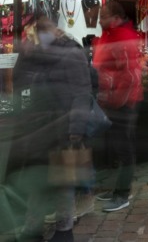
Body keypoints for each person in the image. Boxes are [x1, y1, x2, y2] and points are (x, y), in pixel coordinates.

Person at [12, 16, 92, 242]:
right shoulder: (33, 53)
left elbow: (81, 92)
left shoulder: (70, 52)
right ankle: (32, 227)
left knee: (62, 181)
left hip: (63, 126)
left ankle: (64, 230)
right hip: (37, 126)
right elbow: (20, 85)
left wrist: (75, 128)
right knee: (37, 180)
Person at [93, 1, 143, 213]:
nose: (99, 20)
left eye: (103, 16)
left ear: (115, 17)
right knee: (117, 147)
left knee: (123, 148)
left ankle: (122, 193)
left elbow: (130, 75)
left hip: (122, 102)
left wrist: (116, 100)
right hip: (113, 100)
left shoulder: (121, 38)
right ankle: (119, 189)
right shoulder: (111, 35)